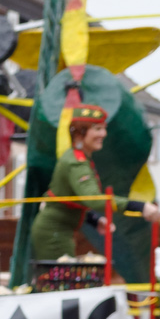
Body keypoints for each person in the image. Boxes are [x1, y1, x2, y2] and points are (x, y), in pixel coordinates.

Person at [30, 104, 115, 262]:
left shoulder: (78, 158)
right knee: (61, 283)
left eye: (104, 128)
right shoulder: (75, 161)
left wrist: (95, 219)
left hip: (59, 231)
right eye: (97, 129)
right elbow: (92, 198)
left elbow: (70, 199)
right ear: (80, 133)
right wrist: (141, 207)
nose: (104, 134)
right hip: (54, 234)